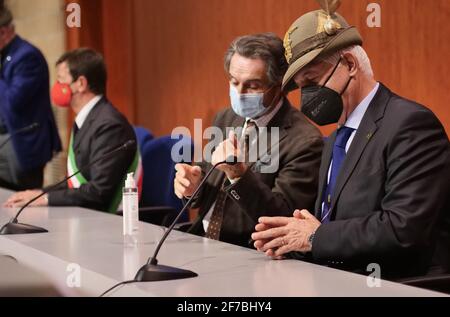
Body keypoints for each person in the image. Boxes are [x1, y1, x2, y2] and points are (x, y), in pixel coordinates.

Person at [252, 10, 450, 279]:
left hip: (396, 283)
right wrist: (290, 239)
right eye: (302, 87)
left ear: (350, 64)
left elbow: (403, 229)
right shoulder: (335, 138)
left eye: (312, 81)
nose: (307, 97)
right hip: (336, 279)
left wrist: (314, 237)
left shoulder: (411, 124)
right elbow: (330, 223)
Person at [174, 33, 323, 248]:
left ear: (279, 85)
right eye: (234, 82)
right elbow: (206, 191)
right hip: (202, 240)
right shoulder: (225, 118)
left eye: (252, 86)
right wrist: (192, 187)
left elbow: (281, 219)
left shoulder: (305, 141)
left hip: (250, 252)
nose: (240, 92)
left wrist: (238, 175)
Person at [4, 48, 141, 213]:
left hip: (111, 223)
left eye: (61, 80)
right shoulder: (89, 118)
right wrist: (39, 193)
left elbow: (98, 192)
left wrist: (45, 199)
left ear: (81, 84)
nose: (56, 87)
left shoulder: (109, 125)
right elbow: (75, 180)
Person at [0, 4, 61, 190]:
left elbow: (13, 101)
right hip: (6, 141)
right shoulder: (7, 55)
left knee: (23, 207)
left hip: (22, 145)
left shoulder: (27, 56)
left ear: (3, 32)